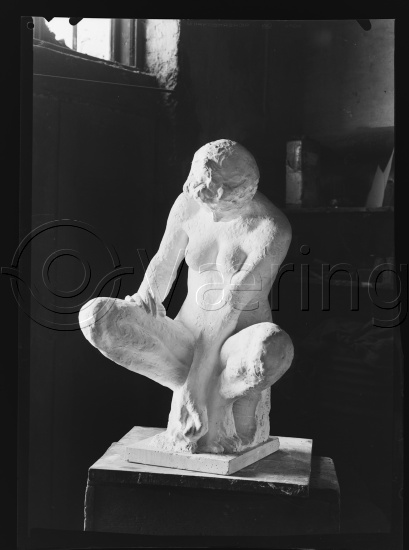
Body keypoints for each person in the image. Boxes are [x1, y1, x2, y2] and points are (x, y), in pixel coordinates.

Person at [79, 139, 294, 453]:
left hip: (234, 346)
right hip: (185, 336)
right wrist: (147, 295)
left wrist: (195, 386)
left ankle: (215, 400)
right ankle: (193, 396)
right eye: (205, 204)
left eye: (221, 207)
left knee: (273, 349)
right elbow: (164, 261)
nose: (212, 217)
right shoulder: (188, 204)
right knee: (97, 317)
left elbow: (230, 307)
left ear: (245, 193)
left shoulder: (270, 228)